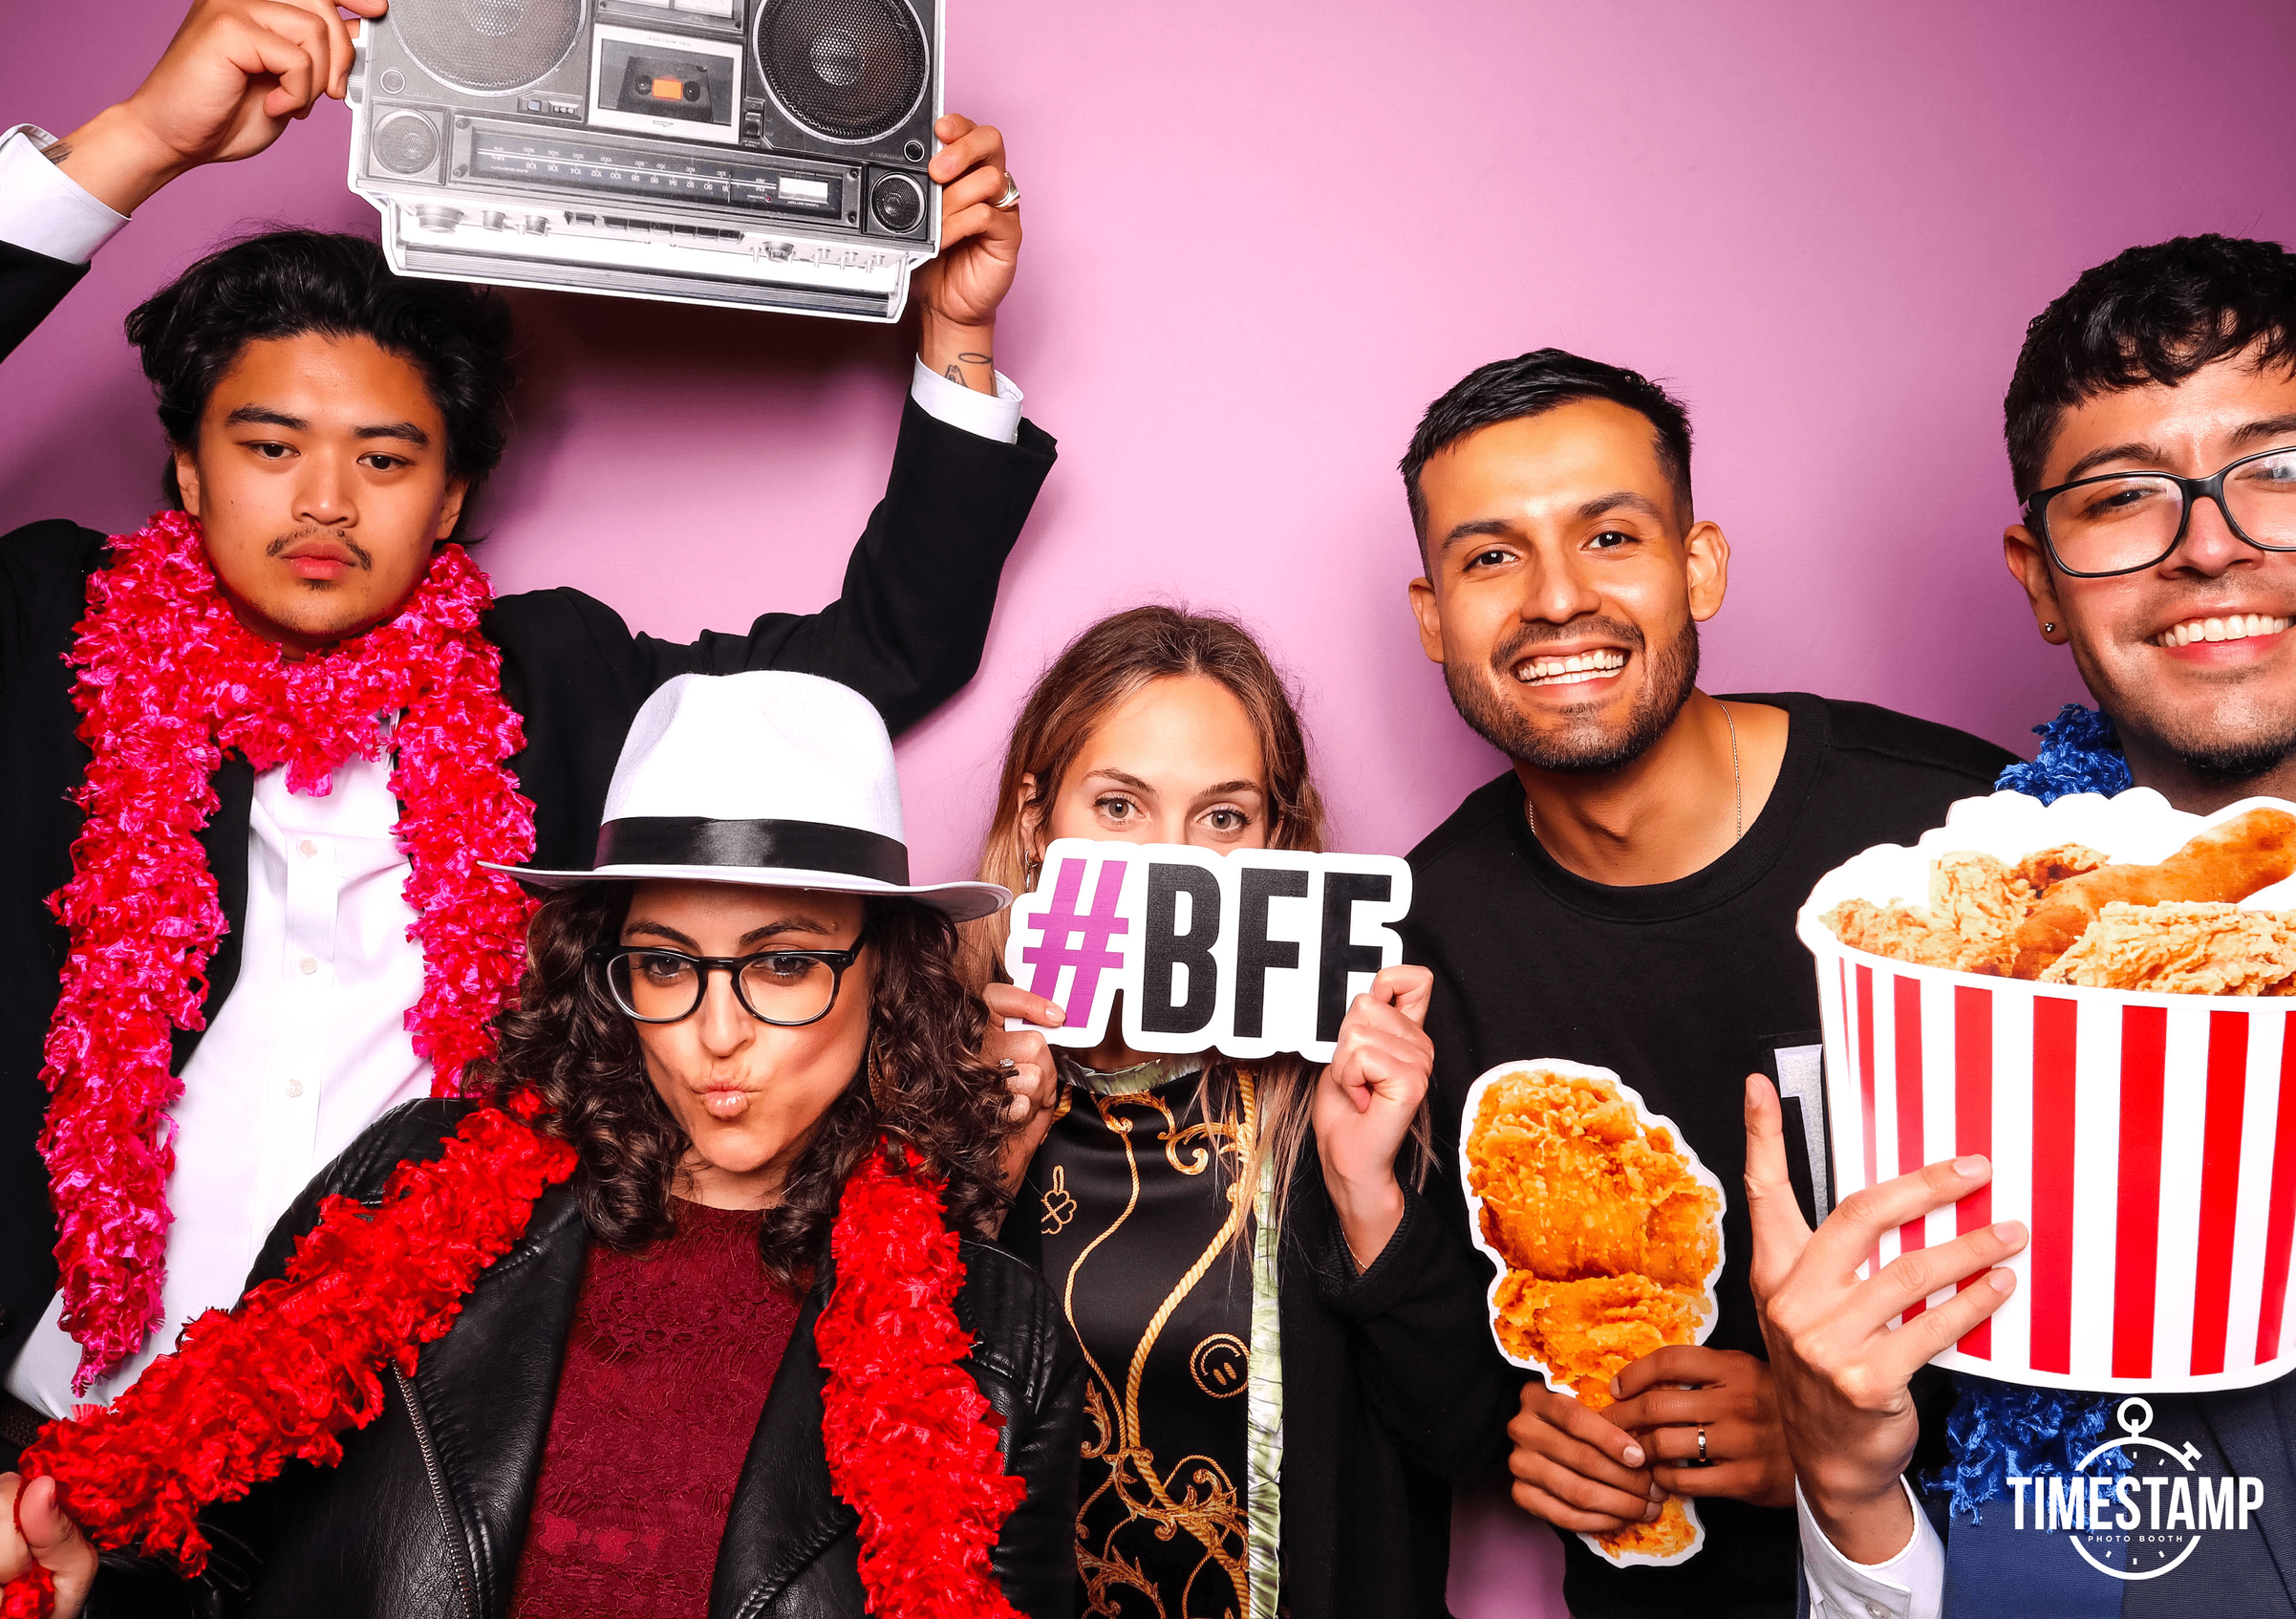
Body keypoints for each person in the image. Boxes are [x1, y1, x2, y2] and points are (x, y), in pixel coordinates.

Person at [0, 0, 1050, 1504]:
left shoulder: (552, 684)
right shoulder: (31, 638)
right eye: (269, 444)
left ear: (451, 499)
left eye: (385, 459)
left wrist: (957, 338)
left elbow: (874, 658)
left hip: (372, 1476)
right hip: (4, 1458)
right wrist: (139, 141)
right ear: (186, 465)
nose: (326, 498)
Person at [0, 671, 1084, 1618]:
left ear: (888, 972)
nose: (716, 1038)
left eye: (783, 962)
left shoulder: (997, 1338)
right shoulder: (406, 1182)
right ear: (607, 973)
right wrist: (89, 1588)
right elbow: (214, 1564)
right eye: (667, 963)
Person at [1394, 349, 2017, 1618]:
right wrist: (1531, 1432)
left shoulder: (1962, 835)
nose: (1556, 600)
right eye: (1491, 556)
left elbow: (2151, 1265)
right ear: (1431, 615)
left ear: (1700, 565)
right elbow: (1454, 1397)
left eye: (1610, 534)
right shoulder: (1425, 928)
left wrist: (1856, 1451)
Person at [1756, 234, 2296, 1619]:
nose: (2212, 542)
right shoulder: (1930, 990)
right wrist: (1849, 1487)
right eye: (2123, 497)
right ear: (2042, 577)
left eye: (2281, 469)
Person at [961, 605, 1506, 1619]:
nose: (1170, 860)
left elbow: (1466, 1439)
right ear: (1037, 818)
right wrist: (981, 1172)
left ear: (1274, 840)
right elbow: (867, 1444)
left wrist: (1364, 1189)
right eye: (1119, 805)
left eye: (1220, 817)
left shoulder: (1342, 1088)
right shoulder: (940, 1075)